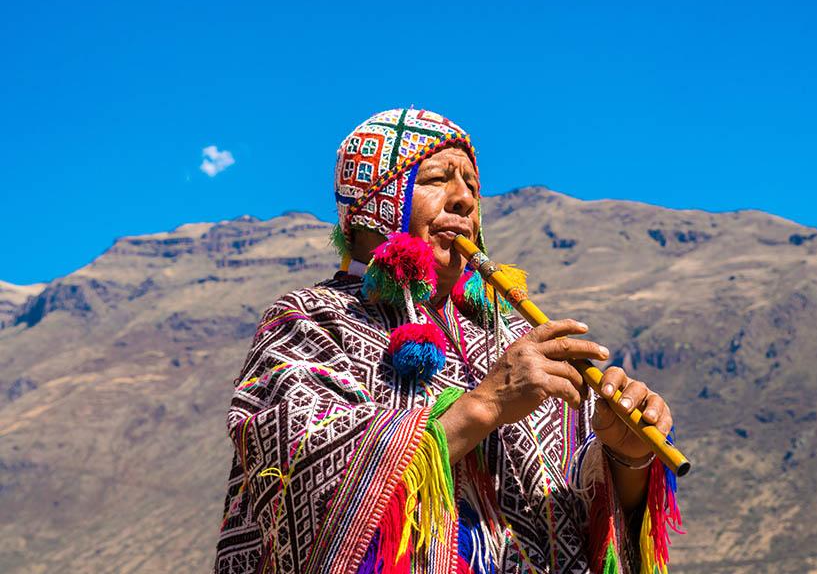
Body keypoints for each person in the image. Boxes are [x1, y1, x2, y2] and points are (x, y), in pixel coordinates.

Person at [214, 108, 682, 574]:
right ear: (375, 201)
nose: (464, 200)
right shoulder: (309, 322)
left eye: (473, 187)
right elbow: (303, 490)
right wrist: (484, 406)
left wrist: (626, 457)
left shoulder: (512, 338)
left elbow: (575, 513)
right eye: (437, 179)